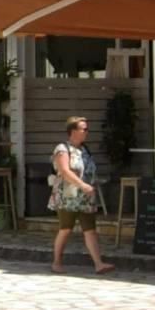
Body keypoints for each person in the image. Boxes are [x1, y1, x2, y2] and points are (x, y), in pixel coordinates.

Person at [50, 115, 113, 274]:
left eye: (87, 129)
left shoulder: (85, 149)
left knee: (90, 230)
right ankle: (56, 262)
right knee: (66, 229)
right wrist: (82, 185)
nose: (86, 132)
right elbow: (65, 171)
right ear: (73, 131)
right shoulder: (62, 149)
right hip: (68, 197)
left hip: (85, 198)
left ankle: (98, 264)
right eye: (83, 129)